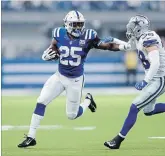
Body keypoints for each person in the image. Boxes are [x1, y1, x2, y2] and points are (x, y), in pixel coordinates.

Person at [18, 10, 130, 148]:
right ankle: (31, 137)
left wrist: (122, 46)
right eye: (75, 24)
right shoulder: (59, 33)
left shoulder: (89, 35)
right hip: (59, 76)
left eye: (80, 24)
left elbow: (107, 45)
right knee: (41, 101)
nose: (78, 27)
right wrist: (47, 54)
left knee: (72, 115)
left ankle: (88, 101)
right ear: (67, 24)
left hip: (75, 80)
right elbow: (53, 46)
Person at [104, 14, 165, 149]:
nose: (130, 28)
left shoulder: (148, 37)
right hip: (153, 80)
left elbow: (155, 63)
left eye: (133, 26)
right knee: (149, 111)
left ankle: (117, 140)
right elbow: (128, 47)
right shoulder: (138, 38)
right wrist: (114, 41)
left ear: (140, 27)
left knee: (134, 106)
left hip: (159, 80)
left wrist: (145, 81)